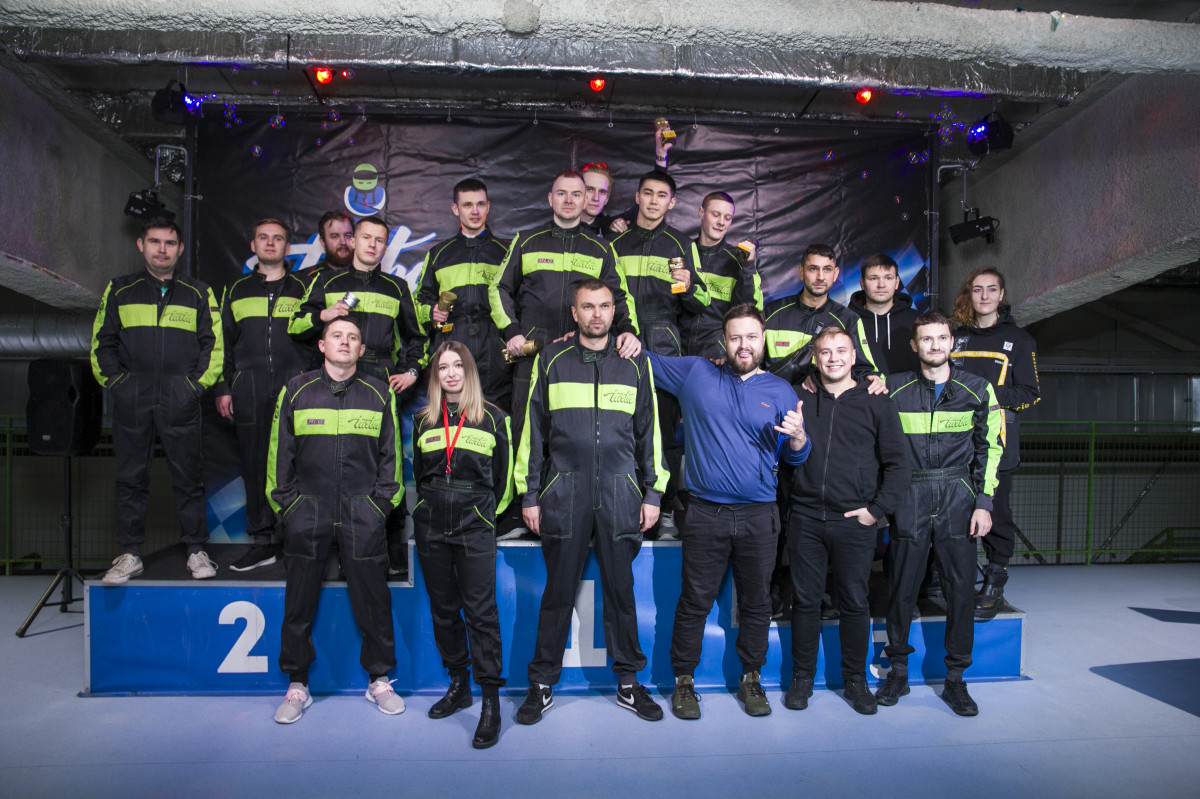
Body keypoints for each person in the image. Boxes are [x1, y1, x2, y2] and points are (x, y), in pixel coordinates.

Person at [513, 279, 667, 725]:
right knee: (557, 593)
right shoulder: (551, 359)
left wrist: (653, 492)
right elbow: (532, 432)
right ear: (574, 313)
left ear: (614, 311)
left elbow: (649, 432)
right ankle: (541, 685)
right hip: (564, 493)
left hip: (621, 493)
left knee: (621, 592)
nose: (597, 314)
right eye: (588, 307)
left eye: (604, 306)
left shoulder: (635, 363)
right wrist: (530, 493)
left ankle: (629, 684)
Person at [647, 303, 809, 720]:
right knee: (694, 602)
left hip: (760, 517)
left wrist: (798, 439)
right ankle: (684, 682)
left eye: (751, 337)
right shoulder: (696, 373)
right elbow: (641, 359)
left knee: (756, 604)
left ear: (763, 340)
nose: (743, 345)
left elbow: (796, 457)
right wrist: (618, 338)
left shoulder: (781, 391)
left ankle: (751, 678)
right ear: (724, 340)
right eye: (735, 337)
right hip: (706, 514)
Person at [267, 315, 405, 723]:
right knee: (298, 602)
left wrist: (378, 508)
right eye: (337, 335)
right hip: (307, 511)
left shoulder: (379, 394)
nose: (345, 342)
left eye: (353, 337)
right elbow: (278, 457)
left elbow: (392, 462)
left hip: (362, 513)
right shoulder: (296, 390)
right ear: (322, 345)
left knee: (374, 600)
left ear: (362, 350)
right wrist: (289, 509)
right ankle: (297, 684)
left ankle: (379, 680)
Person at [878, 312, 1003, 716]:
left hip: (958, 495)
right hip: (909, 494)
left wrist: (984, 503)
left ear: (952, 343)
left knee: (960, 590)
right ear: (914, 346)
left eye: (942, 338)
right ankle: (897, 671)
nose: (935, 345)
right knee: (901, 587)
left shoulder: (978, 389)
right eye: (926, 339)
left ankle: (956, 680)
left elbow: (991, 448)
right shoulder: (892, 389)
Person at [290, 215, 427, 575]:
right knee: (330, 459)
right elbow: (295, 325)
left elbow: (418, 338)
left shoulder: (397, 287)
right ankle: (327, 548)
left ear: (385, 247)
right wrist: (323, 314)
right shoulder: (327, 281)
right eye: (366, 238)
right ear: (353, 241)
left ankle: (392, 550)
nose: (372, 245)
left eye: (380, 240)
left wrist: (412, 371)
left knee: (386, 464)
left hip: (380, 382)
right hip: (331, 381)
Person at [785, 326, 910, 715]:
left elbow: (899, 464)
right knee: (805, 602)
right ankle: (802, 678)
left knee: (855, 602)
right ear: (815, 358)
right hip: (806, 517)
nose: (833, 358)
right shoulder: (800, 395)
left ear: (854, 357)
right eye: (825, 352)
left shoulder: (877, 402)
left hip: (855, 521)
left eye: (841, 350)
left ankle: (856, 680)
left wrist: (876, 511)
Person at [91, 217, 223, 585]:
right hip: (132, 399)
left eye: (169, 243)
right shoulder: (119, 289)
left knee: (189, 477)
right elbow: (102, 344)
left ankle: (196, 550)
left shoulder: (198, 292)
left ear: (180, 249)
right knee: (130, 478)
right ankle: (130, 553)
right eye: (154, 242)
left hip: (181, 400)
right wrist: (119, 385)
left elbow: (214, 348)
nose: (161, 249)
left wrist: (192, 388)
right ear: (141, 245)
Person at [411, 341, 513, 748]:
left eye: (458, 366)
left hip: (475, 523)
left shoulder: (495, 419)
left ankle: (490, 701)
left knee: (481, 613)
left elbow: (504, 481)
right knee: (443, 609)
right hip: (432, 524)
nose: (451, 373)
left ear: (469, 371)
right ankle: (459, 684)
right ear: (435, 375)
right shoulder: (422, 421)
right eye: (443, 367)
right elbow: (420, 474)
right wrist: (427, 509)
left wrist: (485, 516)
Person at [489, 170, 641, 436]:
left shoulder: (601, 249)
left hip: (581, 355)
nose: (569, 200)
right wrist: (512, 332)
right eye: (562, 193)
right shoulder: (526, 241)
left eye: (576, 194)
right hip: (532, 356)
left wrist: (628, 329)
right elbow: (498, 288)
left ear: (584, 201)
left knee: (575, 435)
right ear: (550, 198)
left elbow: (619, 296)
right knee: (527, 435)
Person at [610, 169, 708, 534]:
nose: (653, 201)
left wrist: (690, 286)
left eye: (661, 195)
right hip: (620, 344)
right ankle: (622, 506)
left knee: (664, 433)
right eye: (648, 193)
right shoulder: (615, 243)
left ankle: (665, 510)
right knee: (620, 428)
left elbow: (702, 302)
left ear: (672, 202)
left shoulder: (681, 244)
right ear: (637, 197)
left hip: (664, 347)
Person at [215, 218, 311, 572]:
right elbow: (222, 343)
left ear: (288, 247)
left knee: (302, 462)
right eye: (263, 238)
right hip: (248, 387)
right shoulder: (236, 289)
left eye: (278, 238)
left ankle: (300, 539)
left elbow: (318, 339)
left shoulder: (303, 288)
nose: (270, 243)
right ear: (253, 245)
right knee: (255, 463)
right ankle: (262, 542)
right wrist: (223, 387)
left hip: (295, 385)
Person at [949, 267, 1040, 620]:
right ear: (969, 294)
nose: (984, 296)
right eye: (977, 289)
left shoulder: (1019, 340)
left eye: (991, 289)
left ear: (1001, 295)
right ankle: (949, 578)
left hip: (997, 446)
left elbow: (1030, 394)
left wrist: (985, 395)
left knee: (995, 515)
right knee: (954, 514)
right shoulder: (955, 337)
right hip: (954, 443)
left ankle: (994, 582)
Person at [416, 179, 513, 411]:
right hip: (452, 343)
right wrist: (431, 312)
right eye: (467, 205)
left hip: (496, 350)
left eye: (480, 204)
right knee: (452, 418)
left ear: (488, 206)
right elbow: (418, 301)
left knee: (496, 417)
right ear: (455, 208)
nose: (475, 211)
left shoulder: (506, 252)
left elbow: (518, 302)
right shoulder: (439, 254)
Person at [764, 244, 882, 386]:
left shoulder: (848, 319)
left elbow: (865, 371)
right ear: (801, 272)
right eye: (813, 269)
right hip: (773, 397)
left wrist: (874, 380)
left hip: (824, 399)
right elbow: (752, 365)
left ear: (835, 274)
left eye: (827, 269)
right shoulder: (771, 312)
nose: (820, 277)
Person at [680, 191, 763, 360]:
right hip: (677, 349)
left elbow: (749, 309)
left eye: (727, 217)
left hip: (716, 355)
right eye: (716, 214)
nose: (721, 222)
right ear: (701, 212)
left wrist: (748, 266)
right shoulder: (681, 252)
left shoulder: (737, 260)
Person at [848, 252, 920, 375]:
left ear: (897, 282)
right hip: (863, 387)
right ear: (862, 283)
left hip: (909, 387)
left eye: (888, 278)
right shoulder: (847, 320)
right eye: (873, 278)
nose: (881, 285)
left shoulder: (916, 320)